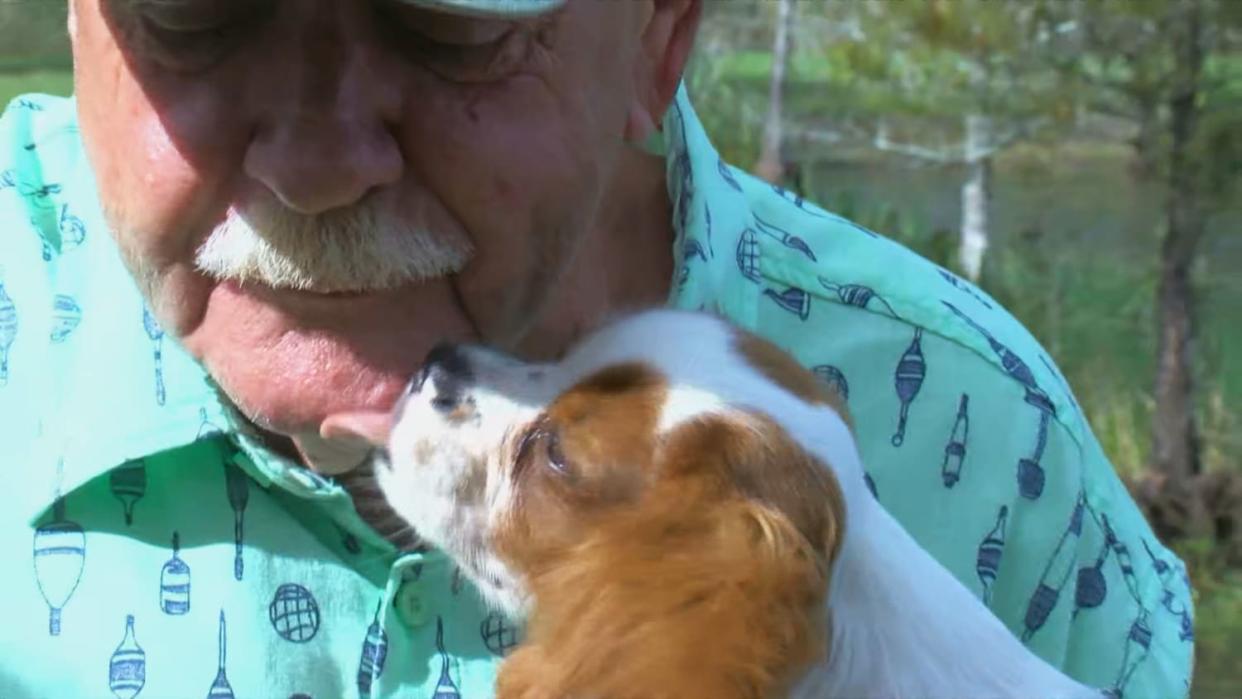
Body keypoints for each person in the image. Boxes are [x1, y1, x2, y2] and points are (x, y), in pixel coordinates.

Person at [0, 1, 1193, 697]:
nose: (313, 165)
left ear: (661, 30)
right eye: (196, 17)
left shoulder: (982, 436)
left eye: (448, 30)